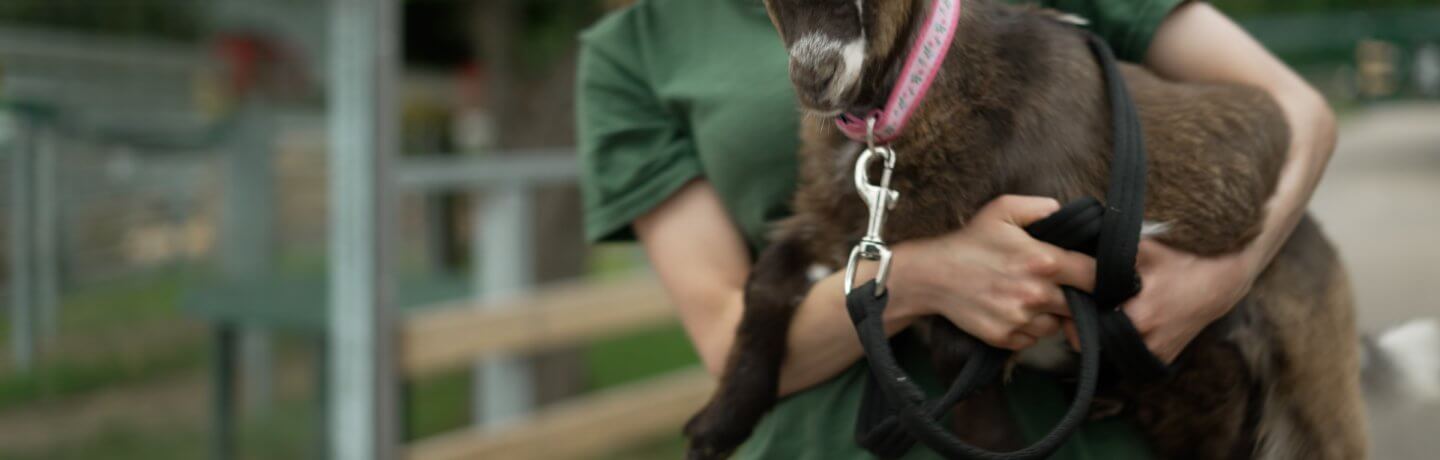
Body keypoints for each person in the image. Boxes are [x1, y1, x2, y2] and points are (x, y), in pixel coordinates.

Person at [576, 0, 1336, 458]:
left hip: (1092, 435)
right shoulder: (635, 48)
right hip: (829, 445)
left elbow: (1298, 110)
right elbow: (723, 334)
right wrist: (921, 279)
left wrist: (1218, 280)